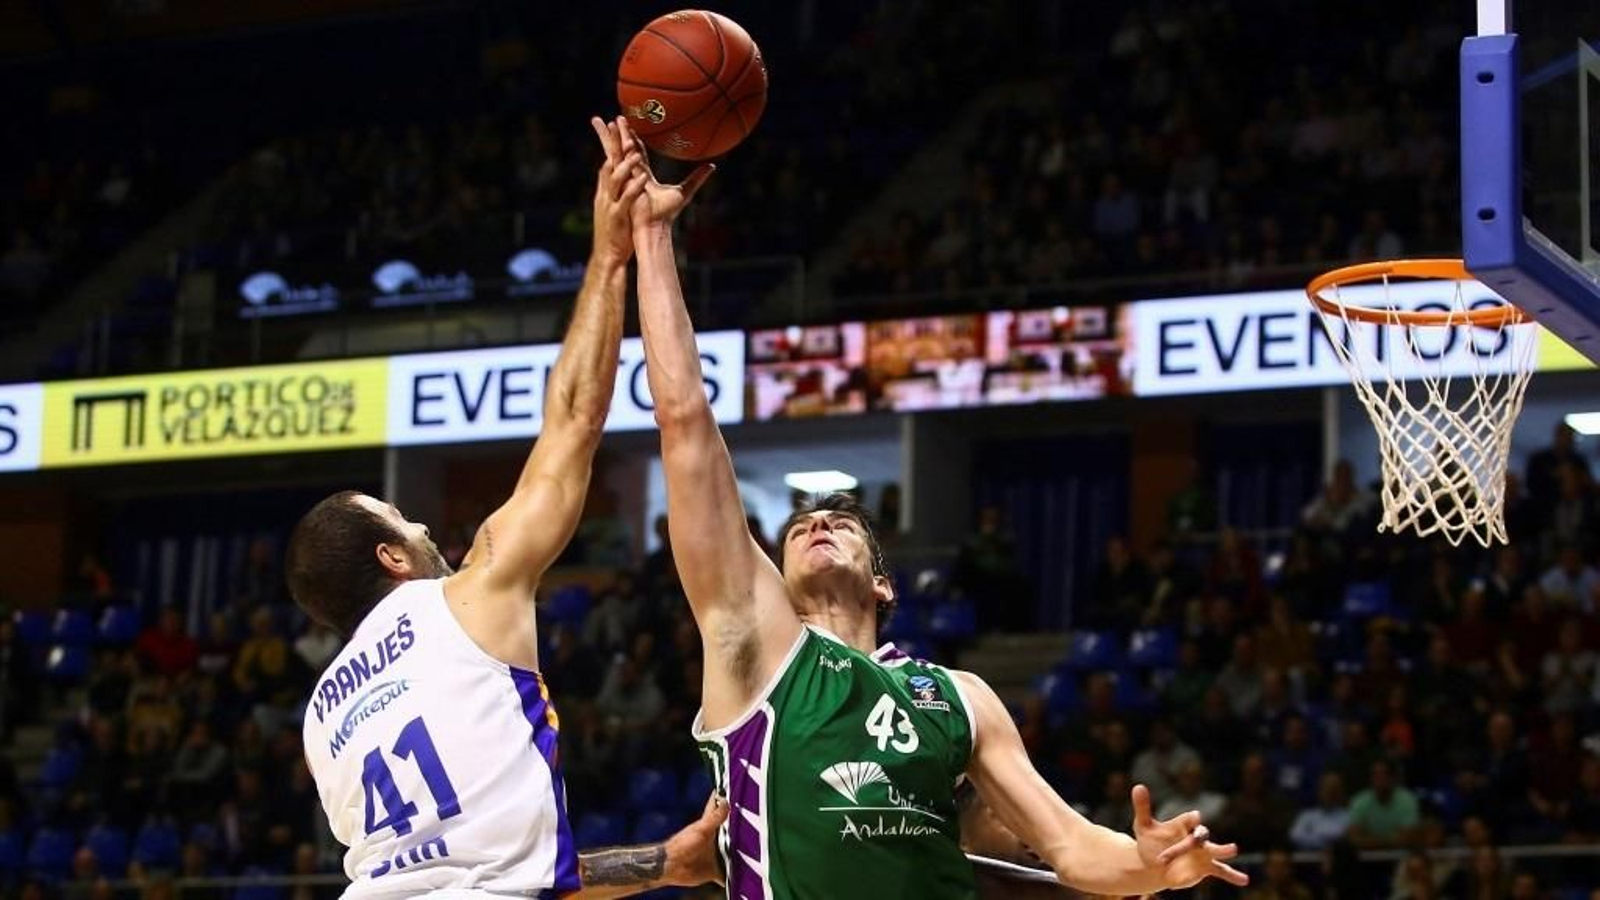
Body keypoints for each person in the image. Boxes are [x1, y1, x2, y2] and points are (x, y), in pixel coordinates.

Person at [624, 119, 1246, 898]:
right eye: (799, 526)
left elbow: (1071, 846)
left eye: (842, 522)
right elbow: (685, 422)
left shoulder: (958, 696)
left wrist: (1153, 866)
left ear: (884, 583)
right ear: (775, 580)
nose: (818, 522)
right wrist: (652, 239)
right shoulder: (757, 648)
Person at [288, 118, 718, 899]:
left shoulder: (322, 718)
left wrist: (668, 864)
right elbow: (574, 421)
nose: (424, 526)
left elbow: (488, 875)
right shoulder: (468, 596)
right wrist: (610, 255)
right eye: (404, 520)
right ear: (392, 556)